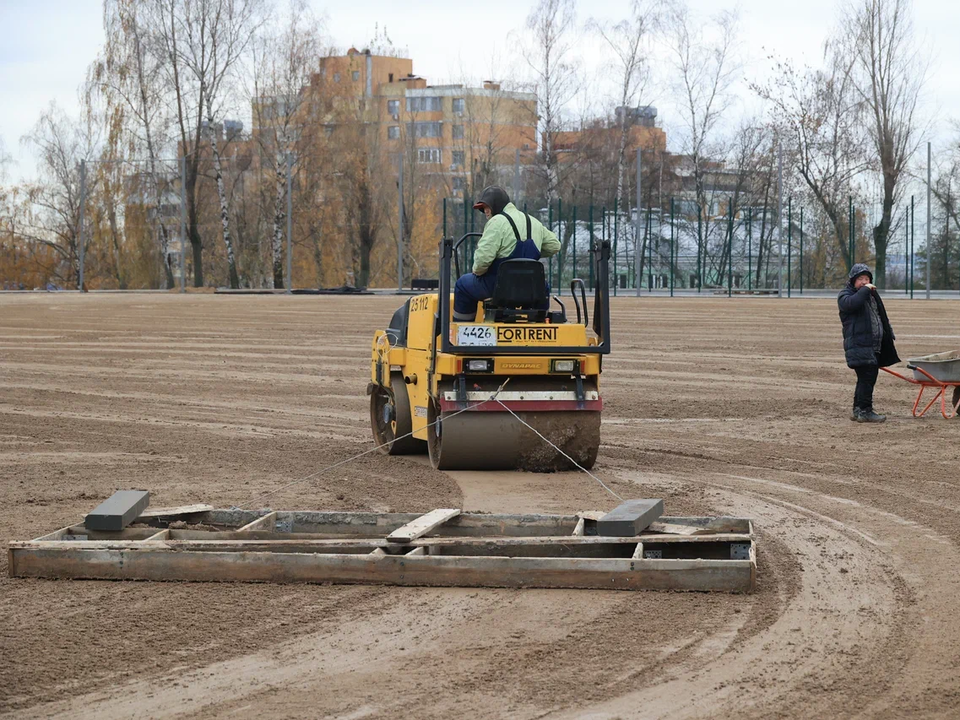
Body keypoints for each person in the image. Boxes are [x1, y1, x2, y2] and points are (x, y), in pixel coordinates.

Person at [453, 186, 561, 322]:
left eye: (486, 207)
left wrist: (477, 272)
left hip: (498, 287)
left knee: (462, 285)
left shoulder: (496, 222)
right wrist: (534, 253)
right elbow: (555, 245)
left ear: (495, 204)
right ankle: (539, 322)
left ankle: (462, 334)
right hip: (531, 287)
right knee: (542, 286)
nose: (485, 211)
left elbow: (482, 261)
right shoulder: (533, 221)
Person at [838, 263, 900, 423]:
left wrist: (888, 332)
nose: (864, 282)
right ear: (853, 281)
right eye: (861, 279)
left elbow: (881, 316)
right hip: (859, 345)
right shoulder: (845, 296)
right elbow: (852, 304)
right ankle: (865, 411)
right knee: (868, 376)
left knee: (865, 377)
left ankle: (858, 410)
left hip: (872, 345)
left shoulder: (871, 296)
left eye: (867, 279)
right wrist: (866, 289)